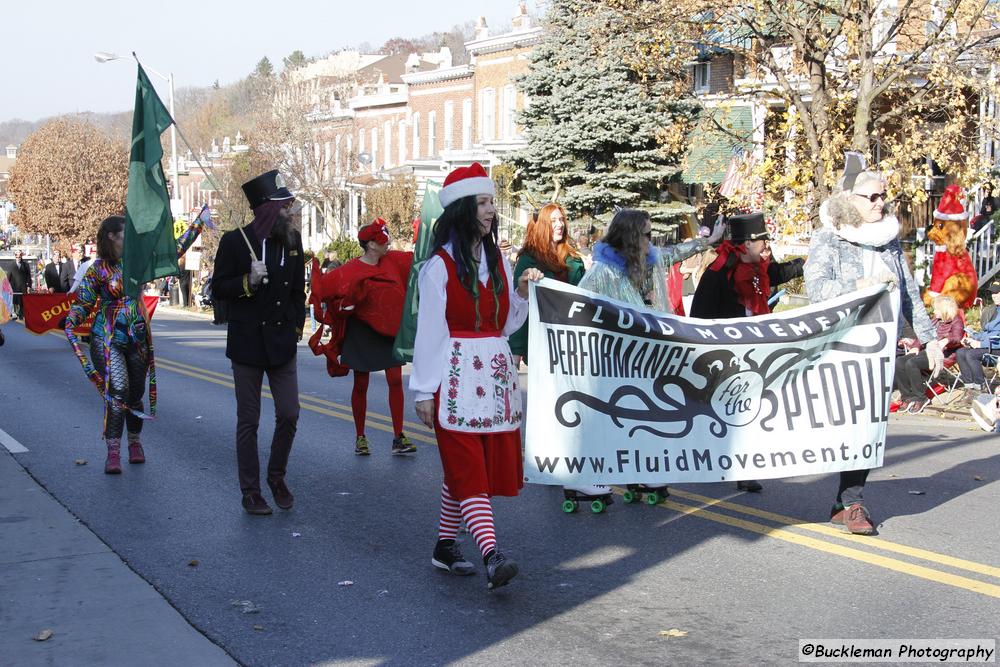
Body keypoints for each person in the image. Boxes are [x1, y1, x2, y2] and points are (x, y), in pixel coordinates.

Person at [410, 162, 542, 590]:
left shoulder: (496, 260)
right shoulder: (438, 268)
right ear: (464, 208)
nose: (491, 210)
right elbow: (430, 333)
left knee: (467, 467)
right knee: (468, 466)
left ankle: (445, 546)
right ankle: (491, 553)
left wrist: (521, 292)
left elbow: (504, 325)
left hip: (494, 379)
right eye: (483, 202)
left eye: (491, 202)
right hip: (455, 379)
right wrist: (423, 391)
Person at [804, 168, 941, 535]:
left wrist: (930, 340)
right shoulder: (828, 239)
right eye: (873, 197)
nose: (881, 203)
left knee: (867, 427)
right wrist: (860, 284)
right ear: (850, 199)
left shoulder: (889, 241)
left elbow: (909, 293)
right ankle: (843, 497)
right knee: (843, 427)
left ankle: (851, 501)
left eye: (884, 196)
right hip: (842, 346)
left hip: (879, 352)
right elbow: (817, 289)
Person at [571, 208, 725, 504]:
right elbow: (576, 303)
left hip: (648, 353)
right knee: (607, 415)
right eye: (645, 234)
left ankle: (640, 468)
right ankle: (586, 474)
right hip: (615, 357)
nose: (650, 240)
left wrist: (711, 240)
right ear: (629, 236)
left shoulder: (650, 261)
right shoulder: (603, 271)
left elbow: (676, 251)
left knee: (645, 412)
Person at [64, 215, 204, 474]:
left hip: (137, 337)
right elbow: (83, 303)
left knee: (135, 394)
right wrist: (72, 320)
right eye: (125, 234)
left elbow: (171, 254)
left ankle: (135, 443)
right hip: (107, 339)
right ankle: (113, 451)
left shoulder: (138, 263)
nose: (130, 238)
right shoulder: (98, 269)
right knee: (118, 391)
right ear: (111, 236)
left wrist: (198, 223)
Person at [211, 169, 306, 516]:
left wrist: (296, 327)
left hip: (282, 344)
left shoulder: (293, 244)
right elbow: (218, 288)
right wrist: (247, 281)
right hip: (248, 344)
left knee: (290, 413)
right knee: (248, 420)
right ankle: (250, 491)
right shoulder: (235, 242)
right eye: (284, 207)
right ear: (266, 208)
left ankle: (276, 476)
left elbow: (298, 293)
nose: (289, 212)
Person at [688, 212, 805, 493]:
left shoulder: (759, 269)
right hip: (725, 356)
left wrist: (803, 264)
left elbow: (778, 273)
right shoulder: (718, 273)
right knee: (724, 414)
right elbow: (700, 315)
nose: (766, 246)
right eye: (762, 240)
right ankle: (712, 459)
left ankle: (745, 468)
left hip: (756, 353)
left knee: (750, 411)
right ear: (745, 245)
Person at [311, 218, 415, 455]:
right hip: (362, 332)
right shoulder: (348, 270)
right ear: (370, 245)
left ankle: (399, 436)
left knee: (396, 381)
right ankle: (360, 437)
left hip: (389, 331)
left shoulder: (393, 261)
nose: (387, 243)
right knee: (361, 384)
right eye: (382, 239)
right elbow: (323, 289)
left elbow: (418, 263)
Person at [509, 203, 585, 367]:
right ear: (543, 225)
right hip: (541, 345)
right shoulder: (528, 260)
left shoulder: (575, 260)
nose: (560, 225)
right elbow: (521, 305)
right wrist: (516, 351)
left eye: (561, 220)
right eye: (553, 221)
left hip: (572, 345)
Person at [895, 295, 963, 413]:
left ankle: (921, 397)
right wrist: (915, 347)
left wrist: (946, 340)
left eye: (936, 309)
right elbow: (924, 335)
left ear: (944, 309)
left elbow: (957, 338)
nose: (934, 311)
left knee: (912, 363)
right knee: (900, 362)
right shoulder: (935, 320)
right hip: (927, 352)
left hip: (943, 355)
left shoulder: (956, 320)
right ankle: (907, 396)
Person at [954, 281, 1000, 403]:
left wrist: (981, 344)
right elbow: (987, 332)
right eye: (993, 293)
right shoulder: (995, 310)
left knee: (971, 354)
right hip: (988, 346)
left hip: (996, 349)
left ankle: (981, 388)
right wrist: (972, 338)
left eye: (997, 292)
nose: (994, 295)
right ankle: (970, 388)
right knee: (960, 352)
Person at [8, 249, 32, 319]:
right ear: (15, 256)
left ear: (21, 256)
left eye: (19, 256)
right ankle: (15, 313)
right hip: (14, 287)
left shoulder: (26, 265)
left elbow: (28, 276)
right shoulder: (12, 265)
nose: (18, 257)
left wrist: (29, 286)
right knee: (15, 301)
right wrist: (6, 287)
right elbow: (8, 277)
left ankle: (21, 315)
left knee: (22, 301)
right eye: (16, 256)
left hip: (23, 287)